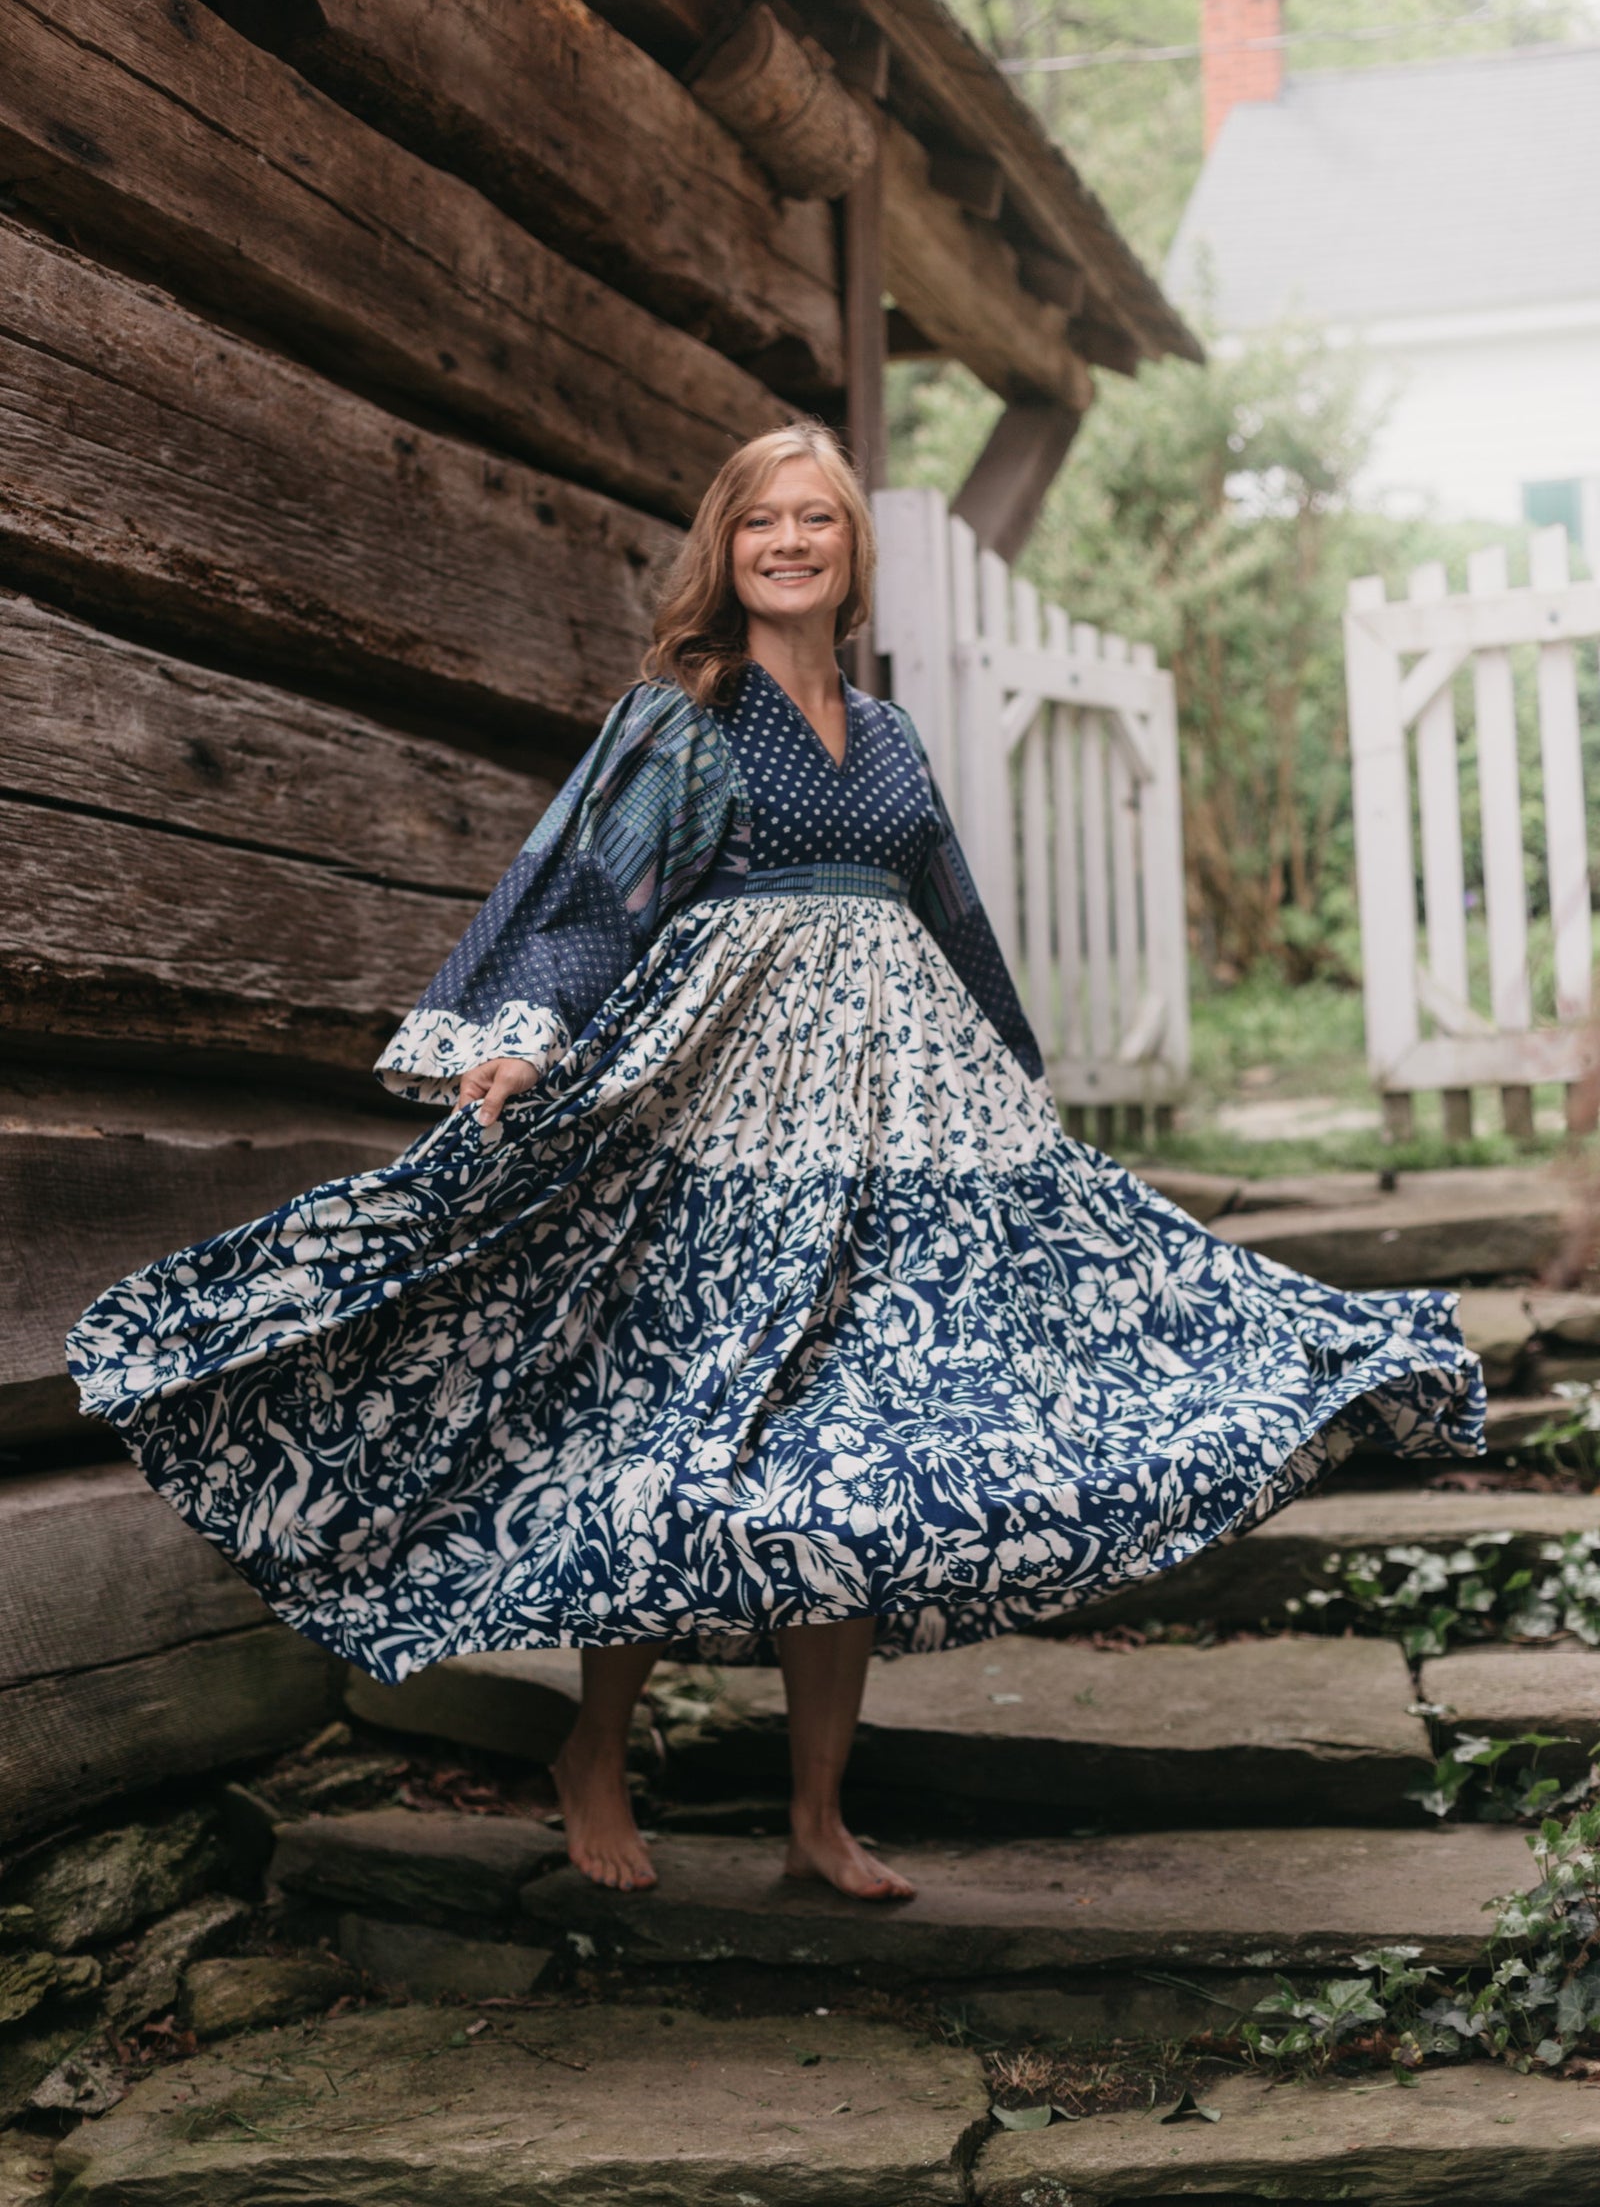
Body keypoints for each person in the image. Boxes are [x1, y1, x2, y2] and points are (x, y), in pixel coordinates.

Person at [68, 421, 1484, 1903]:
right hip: (725, 1138)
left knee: (850, 1461)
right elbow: (594, 901)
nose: (791, 542)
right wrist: (529, 1034)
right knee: (677, 1434)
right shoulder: (686, 714)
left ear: (852, 549)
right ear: (726, 549)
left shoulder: (890, 735)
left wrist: (1011, 1084)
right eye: (763, 522)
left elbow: (948, 913)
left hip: (889, 1140)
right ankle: (594, 1749)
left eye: (817, 518)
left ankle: (817, 1816)